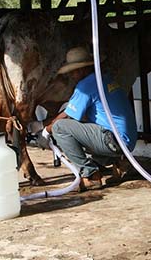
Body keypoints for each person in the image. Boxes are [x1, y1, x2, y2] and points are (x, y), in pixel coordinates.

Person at [40, 47, 137, 191]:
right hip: (127, 141)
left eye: (73, 71)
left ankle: (91, 175)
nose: (72, 76)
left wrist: (45, 131)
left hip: (113, 141)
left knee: (60, 128)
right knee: (83, 127)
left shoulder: (86, 85)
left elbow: (68, 115)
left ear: (81, 70)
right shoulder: (106, 78)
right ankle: (119, 162)